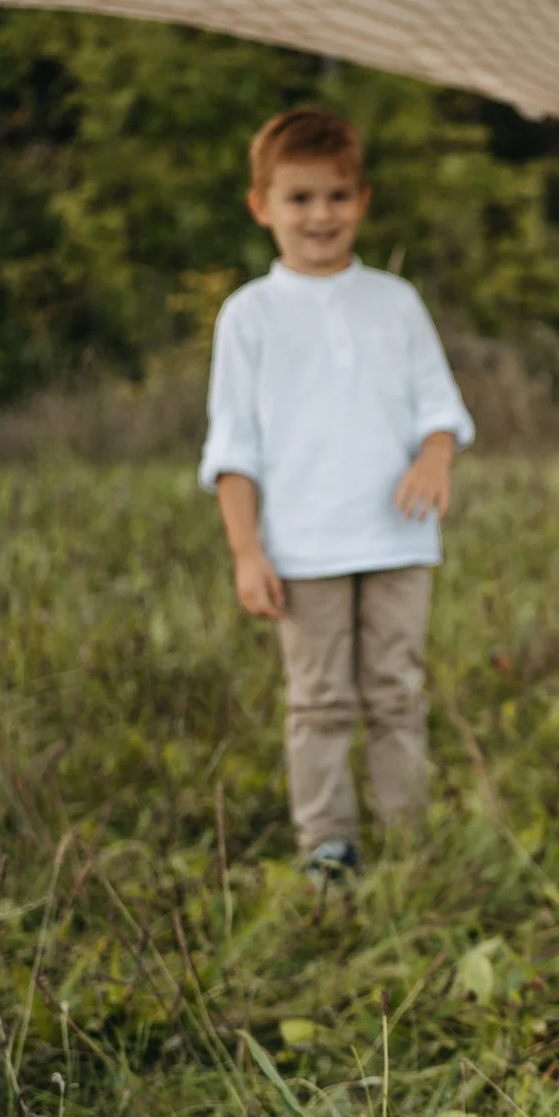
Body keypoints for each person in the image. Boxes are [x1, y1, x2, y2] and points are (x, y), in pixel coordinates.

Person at [197, 107, 475, 883]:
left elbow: (439, 409)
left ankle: (406, 829)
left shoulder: (395, 301)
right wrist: (246, 550)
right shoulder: (249, 315)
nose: (320, 215)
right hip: (304, 546)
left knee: (396, 687)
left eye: (337, 196)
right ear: (261, 206)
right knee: (319, 698)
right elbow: (233, 449)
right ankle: (328, 839)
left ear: (363, 201)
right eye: (299, 198)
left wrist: (435, 456)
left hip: (397, 538)